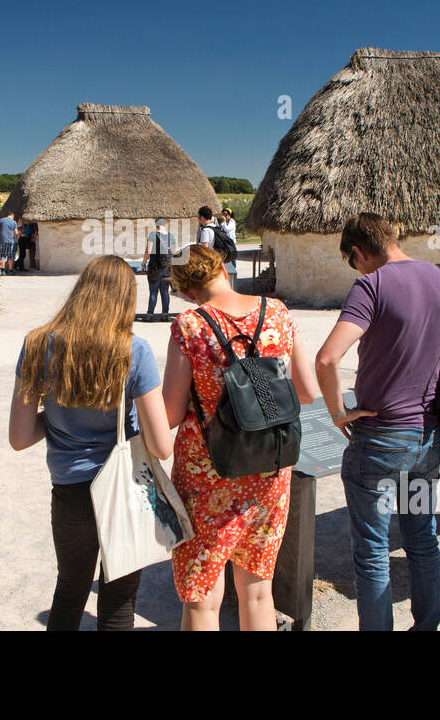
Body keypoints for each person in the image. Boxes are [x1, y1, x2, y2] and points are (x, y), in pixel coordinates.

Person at [314, 213, 440, 631]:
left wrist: (337, 414)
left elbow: (327, 359)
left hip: (379, 442)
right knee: (422, 539)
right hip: (427, 439)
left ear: (359, 252)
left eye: (353, 261)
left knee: (373, 551)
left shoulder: (371, 285)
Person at [7, 255, 173, 631]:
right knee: (117, 601)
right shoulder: (135, 351)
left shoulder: (37, 344)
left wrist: (60, 419)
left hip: (69, 490)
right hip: (125, 489)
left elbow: (19, 438)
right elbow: (162, 446)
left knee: (69, 591)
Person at [161, 244, 320, 630]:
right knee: (258, 591)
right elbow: (307, 392)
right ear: (223, 270)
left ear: (187, 290)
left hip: (209, 473)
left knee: (201, 598)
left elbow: (168, 413)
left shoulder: (191, 326)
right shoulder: (278, 313)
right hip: (269, 467)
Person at [139, 218, 177, 314]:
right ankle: (165, 314)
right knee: (165, 292)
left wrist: (143, 263)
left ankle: (150, 314)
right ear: (165, 225)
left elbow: (148, 251)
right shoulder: (170, 237)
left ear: (156, 225)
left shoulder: (153, 235)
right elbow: (173, 253)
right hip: (166, 268)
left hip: (154, 267)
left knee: (153, 292)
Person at [197, 205, 237, 289]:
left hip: (211, 265)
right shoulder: (217, 228)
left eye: (199, 217)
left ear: (202, 217)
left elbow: (205, 251)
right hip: (220, 263)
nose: (198, 219)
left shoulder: (205, 231)